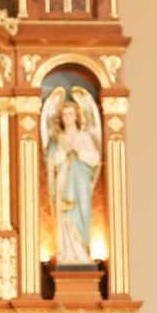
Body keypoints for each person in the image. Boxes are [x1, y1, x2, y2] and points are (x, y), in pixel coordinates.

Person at [43, 89, 101, 265]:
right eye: (65, 114)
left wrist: (78, 151)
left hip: (81, 182)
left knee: (82, 211)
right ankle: (67, 252)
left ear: (77, 116)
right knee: (65, 214)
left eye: (71, 113)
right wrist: (64, 151)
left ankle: (82, 252)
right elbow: (52, 161)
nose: (68, 117)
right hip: (64, 181)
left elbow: (95, 159)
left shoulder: (83, 137)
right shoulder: (58, 139)